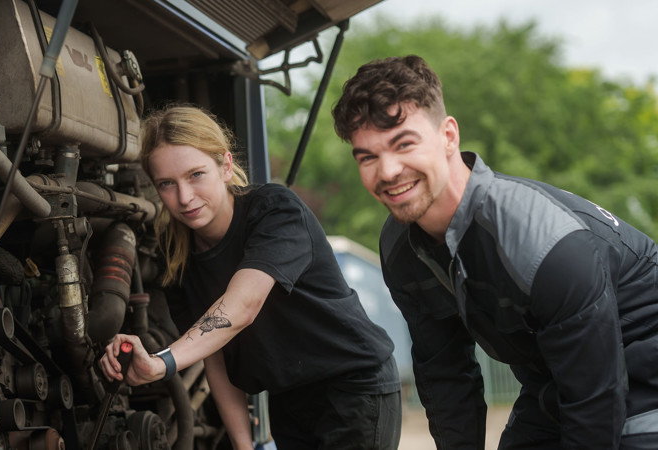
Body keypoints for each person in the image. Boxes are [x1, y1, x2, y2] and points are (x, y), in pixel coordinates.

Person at [332, 54, 658, 450]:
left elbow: (595, 406)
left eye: (404, 144)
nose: (387, 171)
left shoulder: (541, 241)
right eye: (368, 157)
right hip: (555, 382)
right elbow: (445, 376)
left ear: (448, 136)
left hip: (641, 372)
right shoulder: (400, 247)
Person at [99, 105, 402, 449]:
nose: (184, 197)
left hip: (353, 386)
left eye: (196, 175)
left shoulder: (274, 211)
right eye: (167, 184)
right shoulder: (176, 256)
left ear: (226, 166)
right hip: (288, 400)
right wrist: (243, 445)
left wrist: (161, 363)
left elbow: (242, 306)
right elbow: (214, 355)